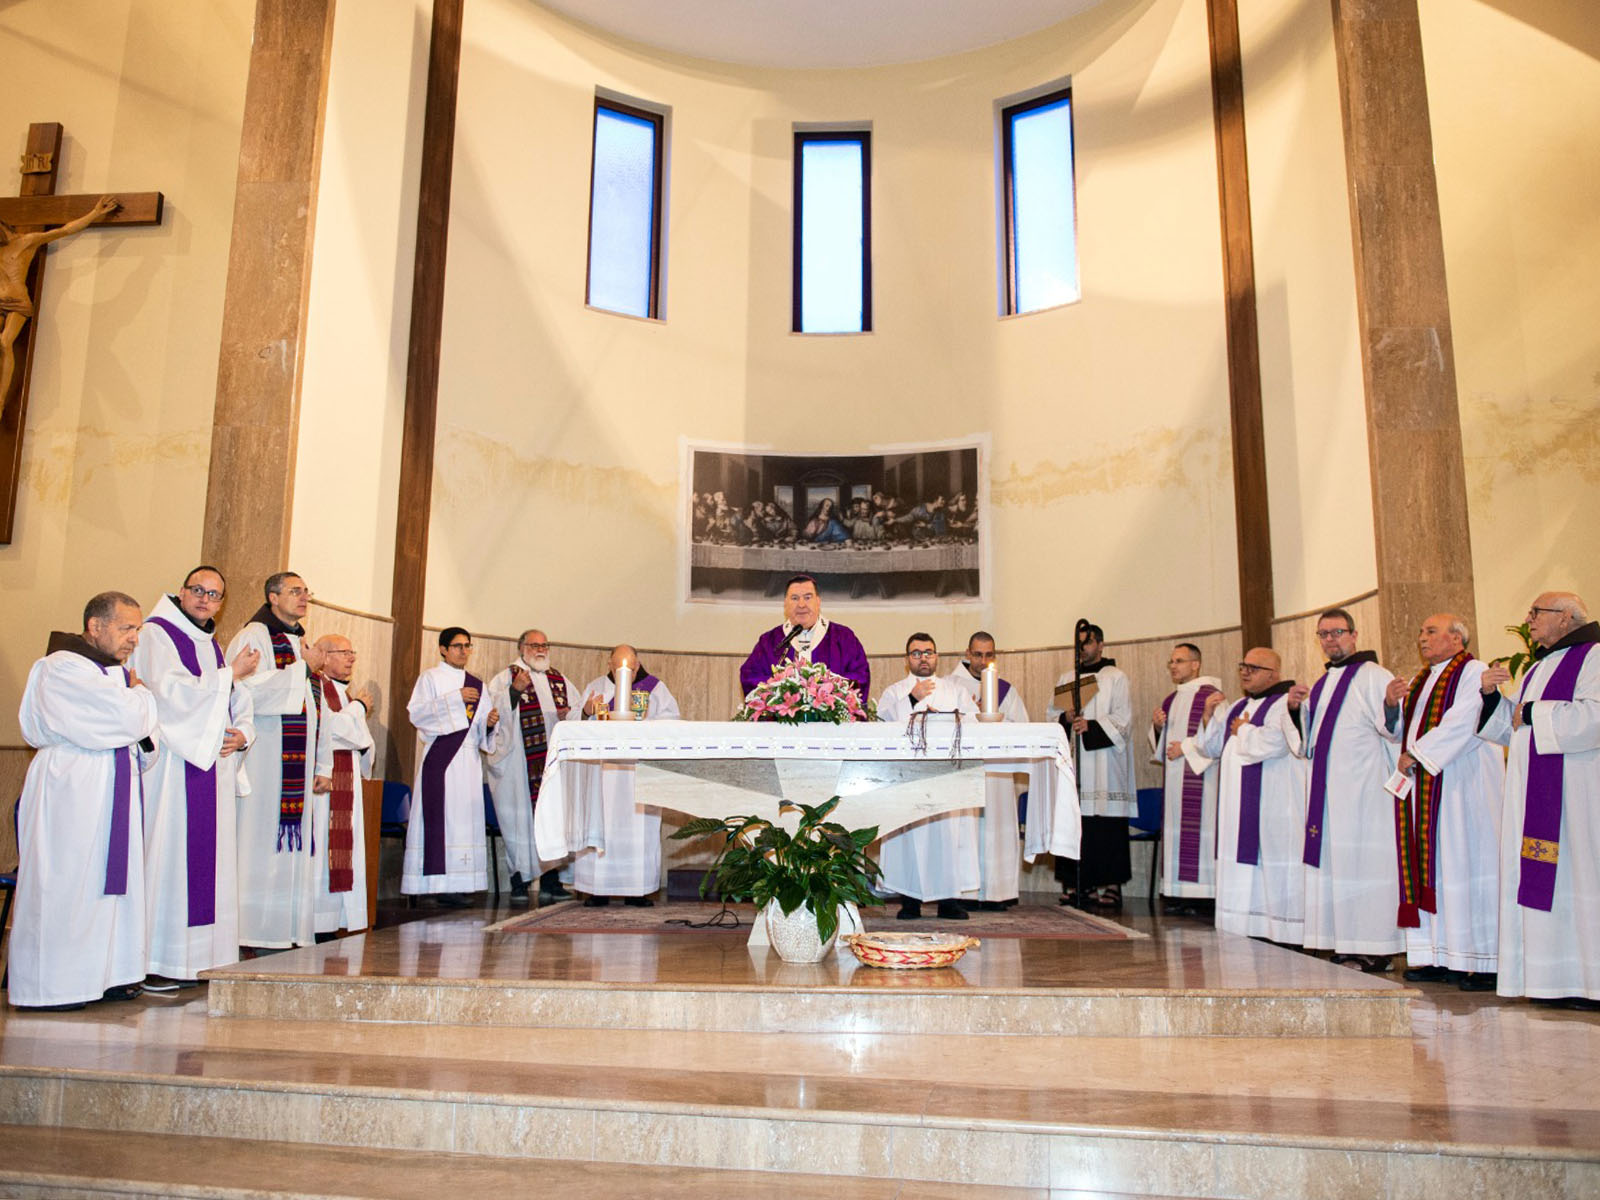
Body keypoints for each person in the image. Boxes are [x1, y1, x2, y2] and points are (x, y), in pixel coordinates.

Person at [11, 591, 159, 1010]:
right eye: (126, 628)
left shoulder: (115, 673)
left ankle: (108, 974)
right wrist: (142, 697)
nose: (134, 638)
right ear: (95, 626)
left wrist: (135, 700)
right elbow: (127, 719)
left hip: (111, 783)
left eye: (138, 629)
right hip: (71, 787)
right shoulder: (61, 666)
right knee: (68, 881)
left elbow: (143, 736)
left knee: (107, 883)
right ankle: (55, 985)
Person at [129, 566, 257, 990]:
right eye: (198, 590)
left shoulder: (210, 643)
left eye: (215, 595)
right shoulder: (155, 634)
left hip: (212, 766)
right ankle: (159, 962)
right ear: (182, 591)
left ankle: (200, 960)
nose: (205, 599)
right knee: (170, 860)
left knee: (207, 862)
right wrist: (229, 676)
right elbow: (169, 694)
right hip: (173, 768)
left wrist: (243, 733)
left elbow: (237, 701)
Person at [1477, 592, 1600, 1008]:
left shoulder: (1594, 656)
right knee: (1549, 882)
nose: (1528, 620)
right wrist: (1496, 702)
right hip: (1538, 795)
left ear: (1565, 617)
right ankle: (1553, 979)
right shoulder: (1540, 664)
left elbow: (1594, 718)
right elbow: (1517, 727)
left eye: (1536, 612)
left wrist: (1533, 714)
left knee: (1580, 878)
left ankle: (1589, 981)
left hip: (1577, 794)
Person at [1387, 613, 1505, 991]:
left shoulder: (1473, 672)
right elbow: (1399, 729)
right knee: (1435, 867)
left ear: (1457, 638)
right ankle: (1438, 955)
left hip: (1463, 785)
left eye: (1431, 631)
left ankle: (1482, 960)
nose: (1422, 638)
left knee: (1467, 866)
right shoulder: (1422, 679)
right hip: (1429, 784)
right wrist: (1391, 706)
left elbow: (1465, 721)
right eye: (1421, 631)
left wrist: (1419, 755)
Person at [1290, 610, 1402, 972]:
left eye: (1337, 632)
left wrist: (1390, 705)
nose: (1330, 639)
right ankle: (1344, 941)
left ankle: (1375, 946)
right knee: (1339, 866)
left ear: (1355, 634)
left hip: (1364, 792)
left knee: (1367, 865)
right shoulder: (1323, 683)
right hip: (1329, 794)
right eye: (1323, 634)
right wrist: (1295, 710)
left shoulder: (1374, 676)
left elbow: (1394, 730)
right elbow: (1307, 741)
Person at [228, 572, 326, 951]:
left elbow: (316, 710)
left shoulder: (299, 641)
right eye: (295, 591)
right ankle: (251, 930)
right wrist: (301, 669)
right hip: (266, 758)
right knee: (258, 839)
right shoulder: (254, 636)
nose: (304, 598)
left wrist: (321, 764)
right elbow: (244, 689)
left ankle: (285, 929)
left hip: (295, 763)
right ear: (272, 597)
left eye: (306, 591)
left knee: (287, 846)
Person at [1196, 647, 1306, 944]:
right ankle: (1243, 924)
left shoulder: (1284, 703)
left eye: (1253, 668)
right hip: (1236, 805)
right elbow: (1211, 749)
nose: (1245, 672)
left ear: (1274, 673)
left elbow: (1276, 744)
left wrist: (1243, 731)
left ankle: (1280, 931)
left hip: (1271, 801)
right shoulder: (1239, 705)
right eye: (1242, 666)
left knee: (1272, 862)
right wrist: (1208, 718)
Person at [876, 633, 980, 920]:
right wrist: (912, 699)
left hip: (947, 773)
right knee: (910, 837)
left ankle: (949, 901)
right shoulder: (895, 691)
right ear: (907, 658)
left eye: (929, 652)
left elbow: (973, 721)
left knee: (948, 836)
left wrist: (945, 718)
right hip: (909, 776)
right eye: (916, 653)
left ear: (937, 657)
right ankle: (910, 901)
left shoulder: (955, 690)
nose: (923, 658)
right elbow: (882, 726)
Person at [568, 645, 681, 906]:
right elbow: (575, 722)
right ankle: (597, 890)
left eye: (630, 666)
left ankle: (637, 889)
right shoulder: (595, 687)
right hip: (602, 773)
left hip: (637, 772)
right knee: (601, 823)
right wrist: (586, 711)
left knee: (639, 829)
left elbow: (672, 720)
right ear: (609, 664)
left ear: (638, 664)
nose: (624, 671)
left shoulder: (655, 689)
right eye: (618, 665)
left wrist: (647, 728)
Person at [404, 627, 503, 907]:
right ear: (443, 649)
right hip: (442, 760)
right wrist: (454, 699)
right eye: (457, 646)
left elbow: (481, 728)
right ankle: (434, 883)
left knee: (464, 819)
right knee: (441, 818)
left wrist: (489, 723)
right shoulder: (430, 678)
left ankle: (461, 882)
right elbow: (418, 714)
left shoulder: (479, 685)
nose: (463, 651)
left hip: (468, 762)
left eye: (467, 646)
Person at [1, 194, 119, 413]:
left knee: (4, 342)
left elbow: (64, 230)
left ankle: (0, 401)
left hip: (18, 303)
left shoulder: (26, 241)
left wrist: (94, 213)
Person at [484, 629, 573, 903]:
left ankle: (550, 880)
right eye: (534, 645)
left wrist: (569, 714)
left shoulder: (559, 679)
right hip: (518, 766)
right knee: (519, 822)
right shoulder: (506, 677)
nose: (540, 649)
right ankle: (520, 880)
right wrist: (514, 692)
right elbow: (492, 716)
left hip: (549, 765)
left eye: (544, 644)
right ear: (521, 648)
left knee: (551, 820)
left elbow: (577, 708)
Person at [1051, 622, 1135, 909]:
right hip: (1075, 760)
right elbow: (1052, 717)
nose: (1082, 649)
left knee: (1105, 825)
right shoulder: (1067, 677)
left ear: (1100, 644)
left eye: (1087, 643)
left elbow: (1123, 719)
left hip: (1105, 763)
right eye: (1078, 645)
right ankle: (1077, 885)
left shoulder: (1116, 677)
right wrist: (1066, 717)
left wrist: (1092, 725)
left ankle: (1111, 885)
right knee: (1075, 822)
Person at [946, 631, 1028, 909]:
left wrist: (996, 720)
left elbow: (1022, 728)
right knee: (967, 829)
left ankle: (997, 892)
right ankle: (965, 893)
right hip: (966, 770)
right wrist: (972, 715)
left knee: (998, 827)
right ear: (967, 654)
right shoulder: (950, 685)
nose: (983, 661)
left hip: (997, 772)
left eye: (989, 655)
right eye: (978, 654)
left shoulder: (1006, 689)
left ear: (995, 656)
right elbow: (942, 724)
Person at [1149, 643, 1223, 915]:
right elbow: (1161, 746)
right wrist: (1158, 728)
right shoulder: (1172, 698)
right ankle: (1178, 893)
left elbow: (1218, 737)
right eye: (1171, 661)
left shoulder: (1212, 696)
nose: (1173, 666)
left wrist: (1186, 748)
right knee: (1176, 832)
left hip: (1202, 779)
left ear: (1195, 664)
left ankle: (1203, 898)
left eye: (1179, 661)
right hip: (1175, 780)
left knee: (1199, 833)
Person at [310, 634, 375, 937]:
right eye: (343, 652)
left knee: (341, 851)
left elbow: (361, 740)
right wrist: (359, 709)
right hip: (323, 786)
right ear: (322, 655)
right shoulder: (316, 688)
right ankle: (318, 922)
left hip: (346, 779)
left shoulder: (345, 696)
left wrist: (356, 713)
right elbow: (331, 728)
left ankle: (334, 920)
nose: (351, 658)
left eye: (353, 652)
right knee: (323, 851)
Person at [739, 574, 870, 700]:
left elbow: (861, 676)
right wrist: (781, 688)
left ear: (818, 602)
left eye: (808, 597)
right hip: (783, 722)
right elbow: (749, 677)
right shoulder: (770, 641)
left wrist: (826, 688)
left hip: (829, 723)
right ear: (785, 604)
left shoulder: (843, 638)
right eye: (794, 598)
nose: (801, 605)